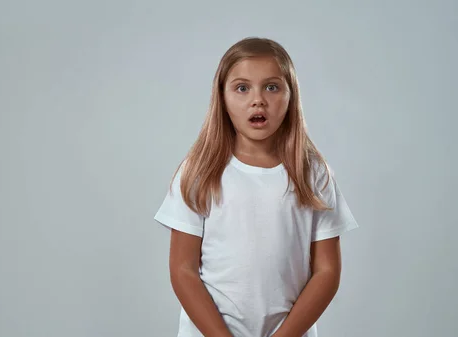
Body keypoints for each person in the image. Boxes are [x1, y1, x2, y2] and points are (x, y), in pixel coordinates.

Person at [153, 37, 359, 337]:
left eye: (272, 87)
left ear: (291, 96)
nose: (258, 99)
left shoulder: (312, 173)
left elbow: (327, 272)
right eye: (242, 87)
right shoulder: (199, 172)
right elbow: (183, 270)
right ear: (222, 97)